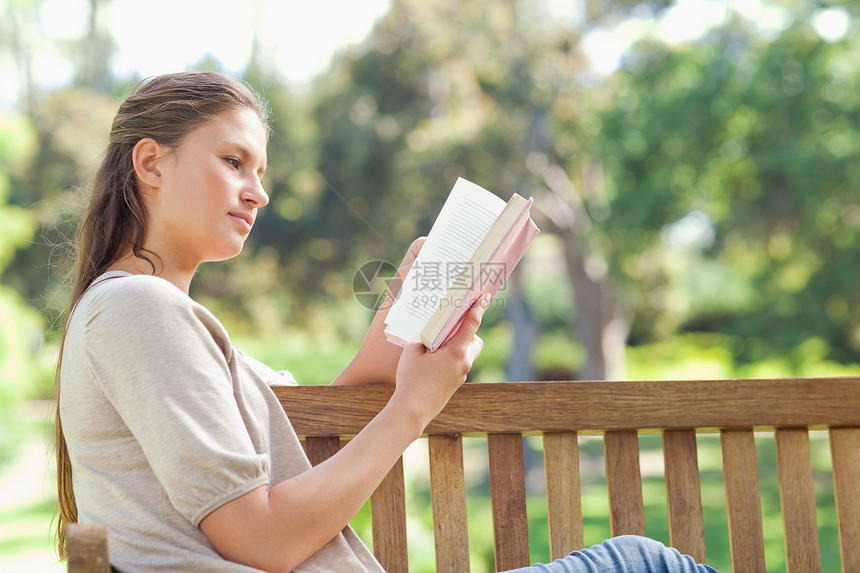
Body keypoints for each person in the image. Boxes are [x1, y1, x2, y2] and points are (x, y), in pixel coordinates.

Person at [54, 71, 718, 573]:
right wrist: (414, 405)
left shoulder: (154, 314)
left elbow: (315, 433)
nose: (259, 189)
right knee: (646, 560)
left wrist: (405, 320)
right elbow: (260, 536)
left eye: (260, 170)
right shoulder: (140, 310)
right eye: (233, 161)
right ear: (150, 162)